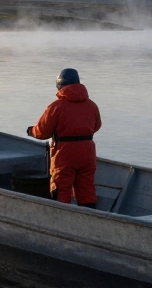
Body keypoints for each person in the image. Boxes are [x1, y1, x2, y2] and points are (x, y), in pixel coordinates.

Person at [27, 68, 102, 208]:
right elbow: (97, 126)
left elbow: (43, 132)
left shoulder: (56, 106)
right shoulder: (92, 105)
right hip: (87, 153)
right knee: (87, 189)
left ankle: (61, 220)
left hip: (64, 154)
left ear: (60, 85)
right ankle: (90, 219)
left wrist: (31, 131)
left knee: (61, 190)